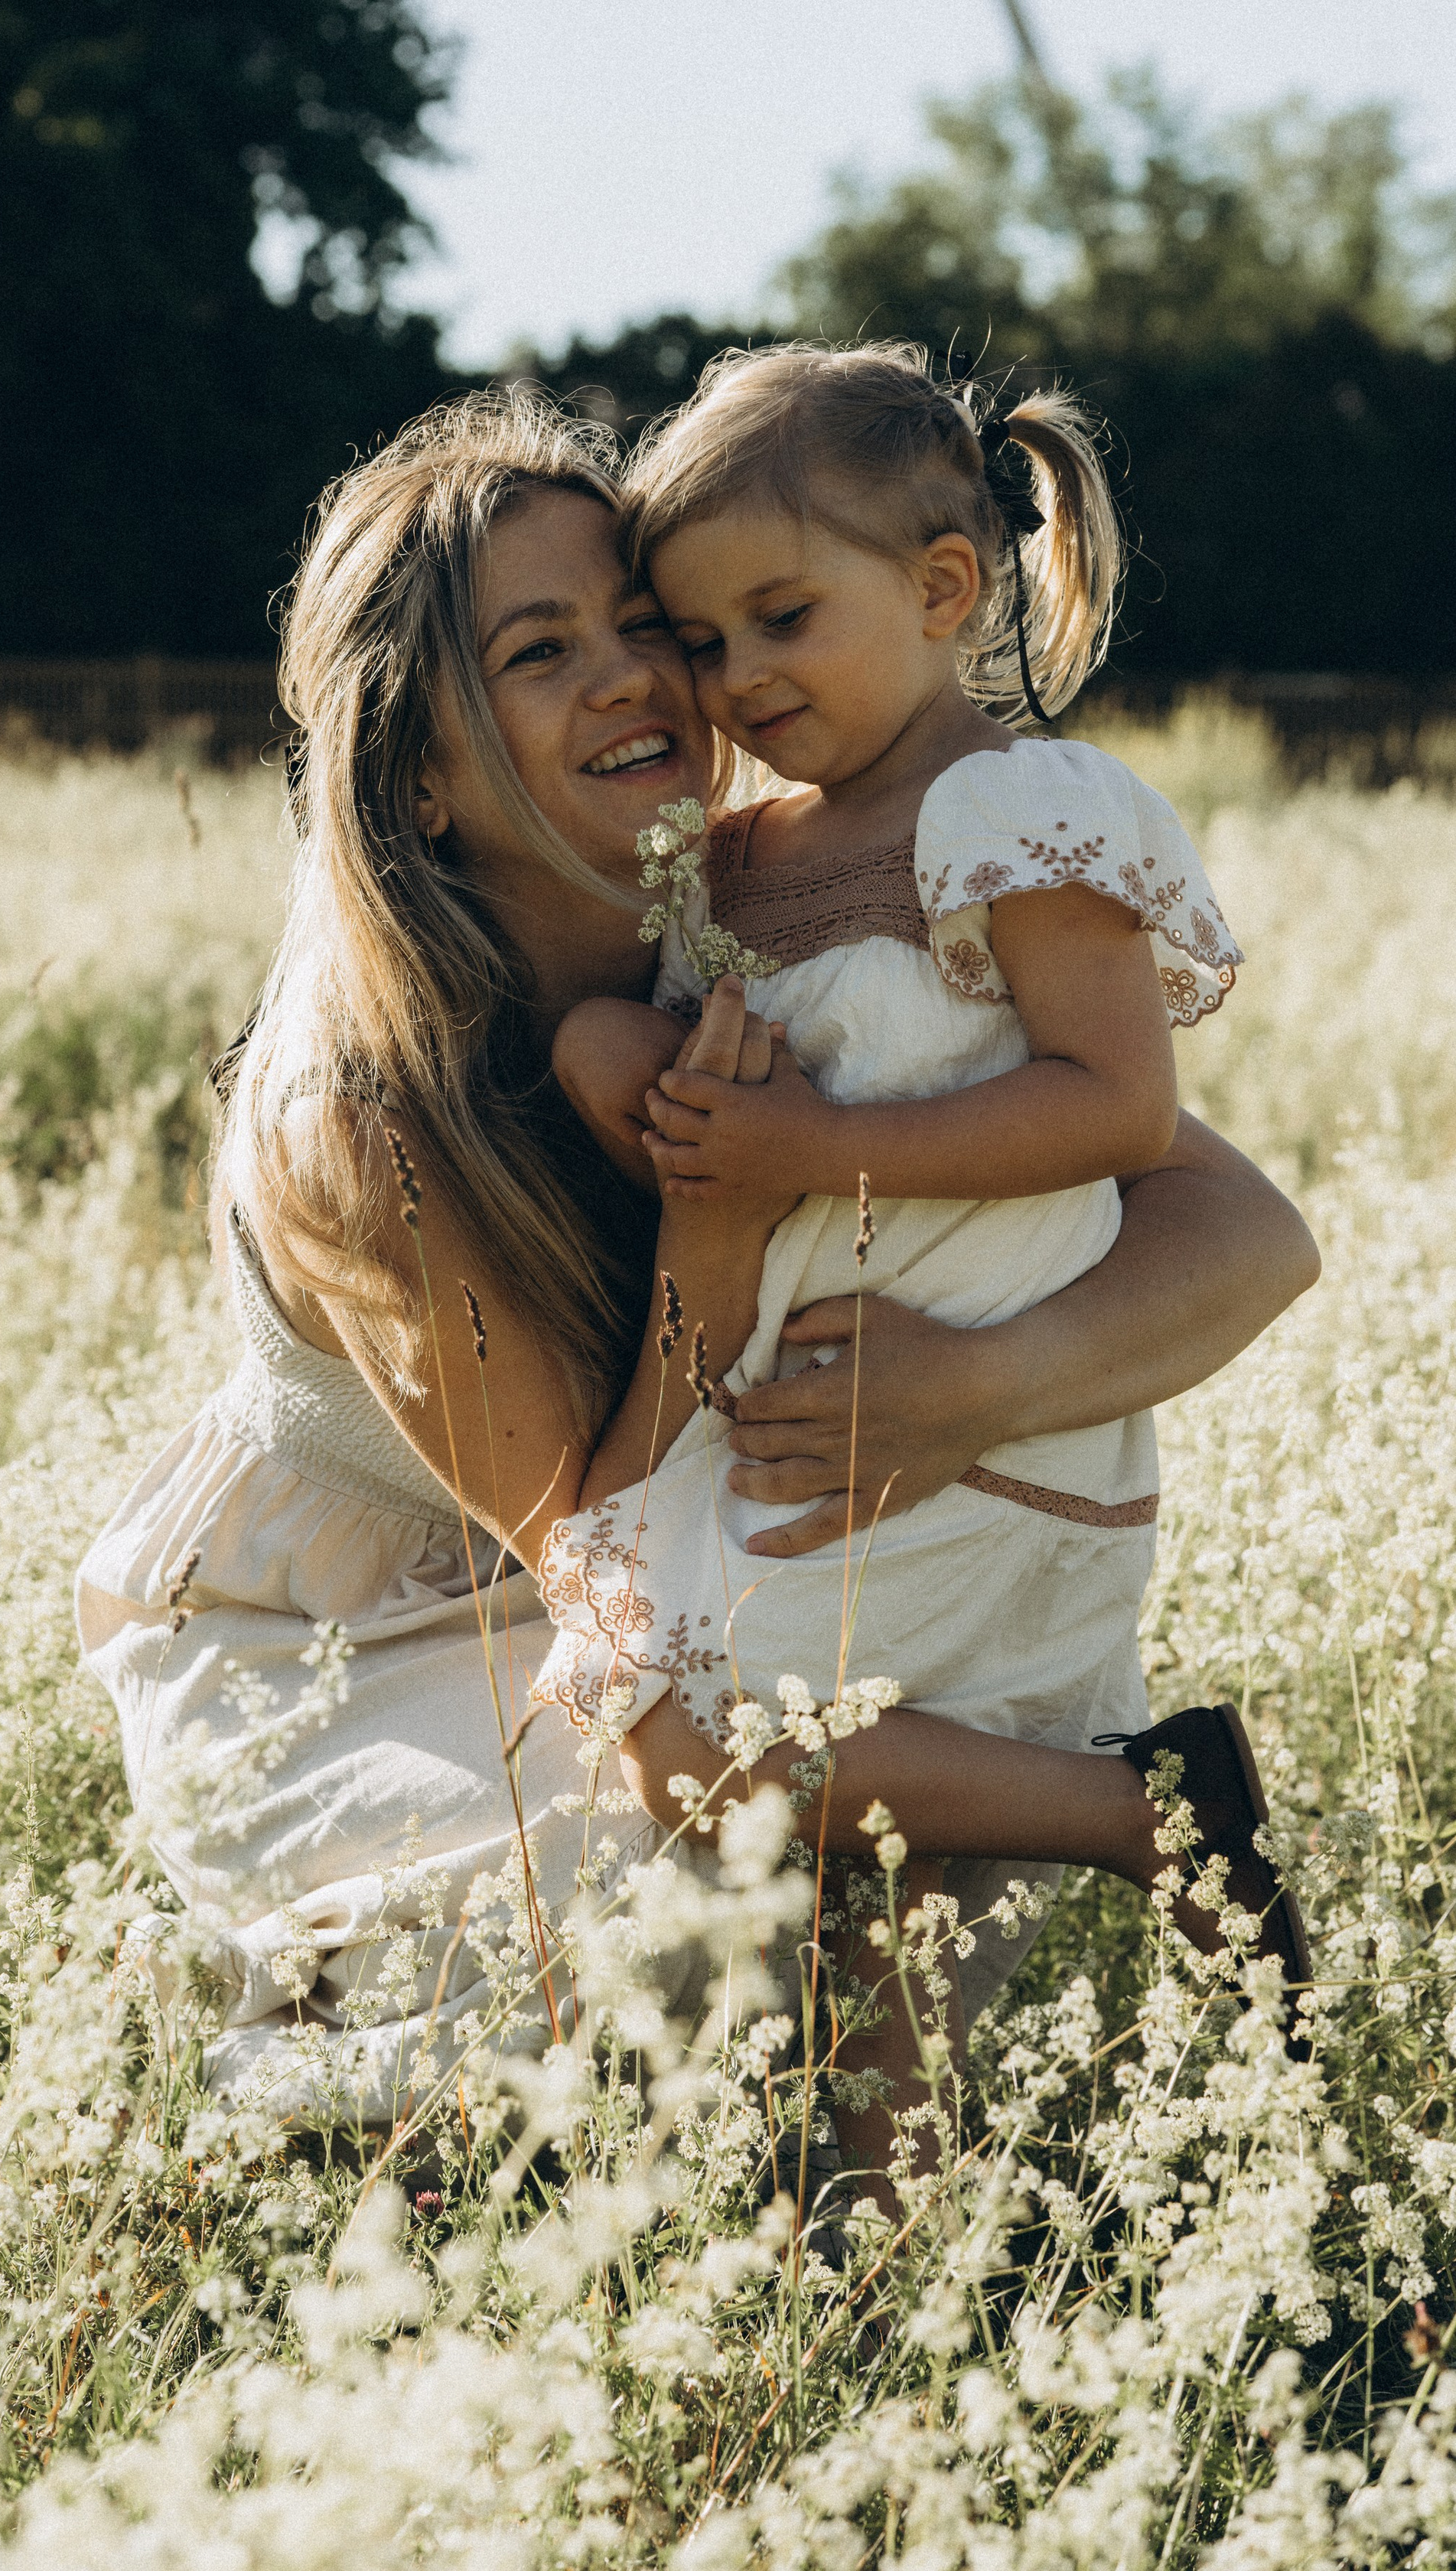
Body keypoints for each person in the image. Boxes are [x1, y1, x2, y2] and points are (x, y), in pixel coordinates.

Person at [74, 389, 1318, 2139]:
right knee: (704, 1881)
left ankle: (874, 2252)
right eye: (540, 649)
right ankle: (275, 2034)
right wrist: (717, 1241)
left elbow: (1244, 1231)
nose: (640, 678)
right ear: (417, 767)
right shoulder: (356, 1106)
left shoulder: (768, 916)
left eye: (646, 626)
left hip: (673, 1561)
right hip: (349, 1640)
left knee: (870, 1821)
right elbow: (588, 1560)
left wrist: (969, 1389)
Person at [541, 342, 1314, 2188]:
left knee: (732, 1759)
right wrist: (622, 1080)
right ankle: (875, 2269)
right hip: (806, 1426)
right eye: (701, 638)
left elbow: (1116, 1107)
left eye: (780, 617)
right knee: (875, 1918)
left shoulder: (1009, 813)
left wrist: (809, 1150)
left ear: (944, 589)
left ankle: (1148, 1812)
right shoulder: (730, 860)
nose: (734, 677)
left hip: (977, 1428)